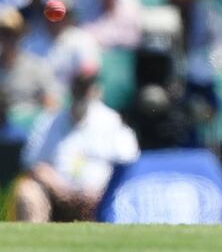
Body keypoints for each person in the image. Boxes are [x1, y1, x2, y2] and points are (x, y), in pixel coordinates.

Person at [12, 66, 140, 222]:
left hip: (99, 200)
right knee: (28, 191)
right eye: (79, 87)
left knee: (121, 195)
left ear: (97, 91)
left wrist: (102, 191)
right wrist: (61, 190)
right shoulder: (49, 121)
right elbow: (33, 164)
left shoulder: (111, 121)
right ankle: (32, 245)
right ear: (71, 89)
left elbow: (128, 162)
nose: (83, 93)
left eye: (88, 87)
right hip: (57, 197)